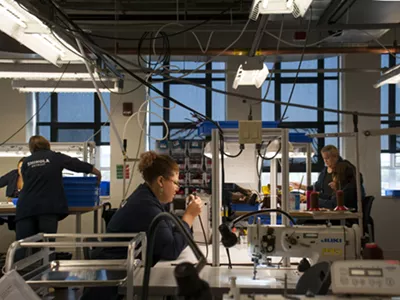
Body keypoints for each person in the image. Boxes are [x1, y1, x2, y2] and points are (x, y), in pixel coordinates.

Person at [81, 151, 203, 300]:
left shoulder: (147, 197)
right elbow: (171, 249)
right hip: (109, 286)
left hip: (119, 272)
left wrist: (185, 218)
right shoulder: (146, 206)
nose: (178, 188)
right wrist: (189, 216)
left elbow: (168, 233)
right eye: (176, 182)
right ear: (160, 181)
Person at [16, 135, 102, 249]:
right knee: (47, 246)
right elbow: (75, 164)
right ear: (47, 145)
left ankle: (19, 267)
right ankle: (46, 266)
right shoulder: (54, 157)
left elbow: (26, 181)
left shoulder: (26, 162)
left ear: (31, 148)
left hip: (25, 207)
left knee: (23, 246)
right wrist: (96, 172)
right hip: (47, 207)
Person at [292, 145, 365, 210]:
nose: (325, 161)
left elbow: (333, 204)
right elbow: (327, 194)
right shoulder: (325, 171)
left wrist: (311, 199)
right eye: (324, 158)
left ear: (336, 157)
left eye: (327, 158)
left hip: (343, 214)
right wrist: (302, 188)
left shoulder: (345, 174)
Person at [0, 157, 24, 230]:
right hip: (12, 210)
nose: (21, 170)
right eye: (20, 168)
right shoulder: (13, 174)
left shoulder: (35, 177)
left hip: (27, 209)